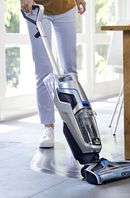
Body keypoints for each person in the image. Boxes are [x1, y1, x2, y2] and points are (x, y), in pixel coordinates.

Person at [20, 0, 86, 148]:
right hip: (36, 8)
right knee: (44, 69)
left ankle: (76, 124)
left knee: (70, 71)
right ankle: (48, 127)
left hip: (66, 7)